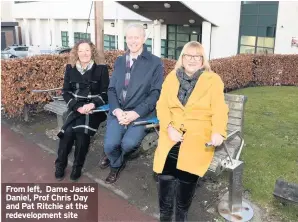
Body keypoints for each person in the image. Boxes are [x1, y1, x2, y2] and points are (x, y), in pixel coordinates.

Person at [153, 41, 229, 221]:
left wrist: (218, 131)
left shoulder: (213, 80)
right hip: (171, 133)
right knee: (166, 174)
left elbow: (219, 109)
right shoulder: (171, 78)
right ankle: (165, 215)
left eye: (197, 56)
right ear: (182, 58)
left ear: (203, 60)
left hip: (197, 136)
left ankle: (181, 215)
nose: (192, 60)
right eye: (188, 55)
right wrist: (169, 127)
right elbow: (162, 106)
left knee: (187, 175)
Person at [99, 24, 164, 184]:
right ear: (126, 39)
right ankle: (116, 163)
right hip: (119, 111)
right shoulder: (120, 61)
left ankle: (116, 161)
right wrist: (116, 110)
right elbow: (112, 88)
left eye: (136, 37)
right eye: (129, 37)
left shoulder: (155, 63)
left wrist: (135, 113)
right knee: (109, 146)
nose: (133, 41)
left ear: (143, 39)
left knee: (128, 144)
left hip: (140, 113)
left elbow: (156, 92)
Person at [55, 40, 109, 182]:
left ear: (92, 52)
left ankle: (77, 167)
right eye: (81, 50)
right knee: (67, 133)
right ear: (76, 53)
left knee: (82, 134)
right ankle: (60, 164)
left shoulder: (101, 69)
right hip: (76, 107)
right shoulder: (70, 68)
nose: (84, 53)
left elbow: (105, 94)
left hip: (94, 110)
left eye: (87, 50)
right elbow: (66, 92)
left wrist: (92, 105)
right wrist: (77, 106)